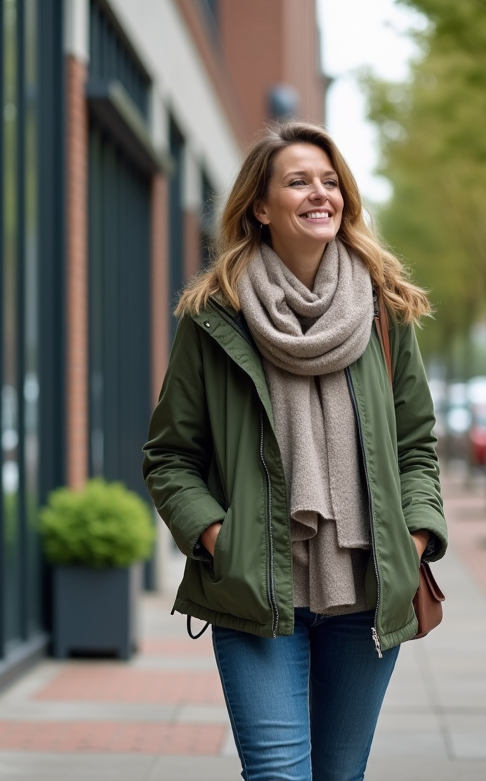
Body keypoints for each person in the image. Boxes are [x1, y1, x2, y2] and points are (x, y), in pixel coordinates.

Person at [142, 120, 447, 781]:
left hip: (365, 592)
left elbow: (416, 446)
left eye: (331, 181)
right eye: (299, 181)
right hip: (259, 594)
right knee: (278, 775)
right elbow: (170, 457)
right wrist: (222, 540)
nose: (320, 193)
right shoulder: (213, 316)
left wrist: (414, 539)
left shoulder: (382, 309)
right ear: (260, 205)